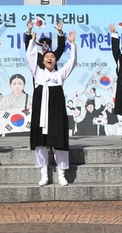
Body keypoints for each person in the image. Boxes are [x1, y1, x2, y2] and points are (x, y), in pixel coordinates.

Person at [26, 29, 78, 186]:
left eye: (52, 57)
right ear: (42, 60)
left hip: (56, 109)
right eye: (47, 56)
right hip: (40, 107)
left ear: (55, 61)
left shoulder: (60, 74)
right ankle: (44, 174)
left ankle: (62, 174)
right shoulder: (37, 72)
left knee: (59, 140)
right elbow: (30, 57)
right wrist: (31, 40)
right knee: (41, 142)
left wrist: (73, 44)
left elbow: (72, 62)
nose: (49, 58)